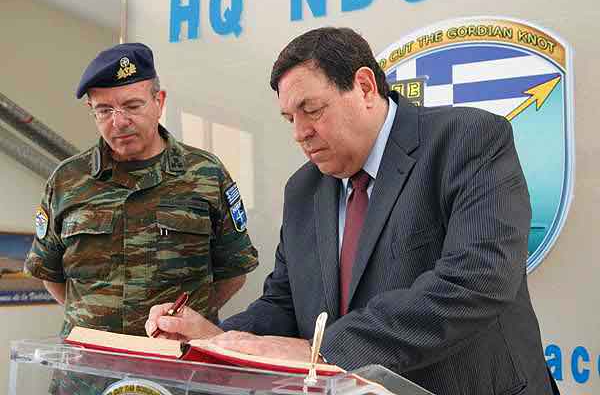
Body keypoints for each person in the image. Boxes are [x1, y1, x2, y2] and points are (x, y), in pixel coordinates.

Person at [145, 28, 557, 394]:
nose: (300, 133)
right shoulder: (303, 189)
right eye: (290, 118)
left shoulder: (468, 140)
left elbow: (479, 278)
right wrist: (214, 339)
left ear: (364, 86)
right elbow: (285, 303)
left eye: (312, 110)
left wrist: (322, 351)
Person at [25, 42, 258, 339]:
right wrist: (93, 320)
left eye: (133, 106)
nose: (119, 122)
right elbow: (49, 272)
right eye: (104, 110)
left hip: (175, 359)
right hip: (89, 363)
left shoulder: (206, 173)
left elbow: (234, 270)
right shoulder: (67, 180)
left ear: (159, 101)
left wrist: (186, 321)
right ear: (91, 111)